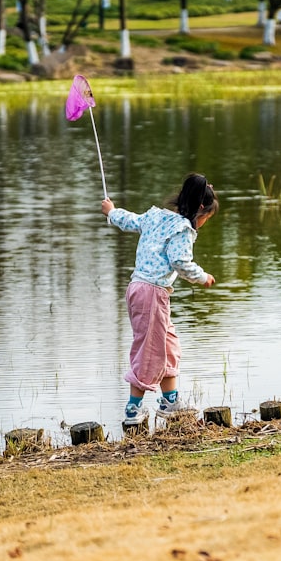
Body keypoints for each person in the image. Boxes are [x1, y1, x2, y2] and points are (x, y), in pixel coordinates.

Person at [101, 173, 218, 421]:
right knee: (149, 350)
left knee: (168, 345)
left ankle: (169, 402)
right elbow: (180, 261)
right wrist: (202, 276)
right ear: (201, 210)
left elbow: (130, 220)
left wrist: (112, 212)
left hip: (141, 291)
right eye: (208, 217)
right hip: (151, 293)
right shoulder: (183, 229)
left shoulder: (156, 216)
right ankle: (133, 408)